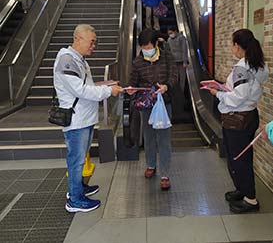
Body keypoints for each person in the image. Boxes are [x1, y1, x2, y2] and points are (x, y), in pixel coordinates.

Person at [53, 24, 123, 213]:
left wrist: (104, 84)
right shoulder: (66, 60)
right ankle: (74, 200)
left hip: (85, 118)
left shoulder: (79, 60)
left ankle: (79, 187)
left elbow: (86, 85)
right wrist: (109, 91)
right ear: (78, 39)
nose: (94, 46)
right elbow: (80, 90)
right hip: (76, 120)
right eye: (91, 42)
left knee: (81, 157)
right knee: (76, 159)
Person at [209, 29, 268, 213]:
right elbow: (247, 90)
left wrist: (218, 93)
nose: (231, 47)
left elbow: (238, 97)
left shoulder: (242, 67)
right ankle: (242, 190)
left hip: (238, 119)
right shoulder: (258, 64)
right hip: (249, 116)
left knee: (239, 159)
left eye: (232, 44)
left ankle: (250, 200)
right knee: (241, 157)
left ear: (238, 46)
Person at [127, 29, 178, 190]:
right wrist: (132, 89)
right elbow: (133, 81)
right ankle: (150, 165)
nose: (146, 50)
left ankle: (165, 174)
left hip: (164, 103)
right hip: (147, 104)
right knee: (148, 136)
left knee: (163, 138)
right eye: (143, 47)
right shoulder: (137, 62)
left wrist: (166, 86)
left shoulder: (167, 56)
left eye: (148, 46)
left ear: (156, 44)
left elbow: (174, 75)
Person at [167, 26, 188, 92]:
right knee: (174, 77)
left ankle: (181, 92)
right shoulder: (169, 39)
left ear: (175, 31)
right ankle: (176, 92)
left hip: (181, 61)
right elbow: (169, 50)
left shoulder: (181, 38)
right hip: (173, 61)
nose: (170, 34)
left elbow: (184, 50)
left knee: (182, 78)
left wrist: (185, 61)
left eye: (171, 33)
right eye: (169, 33)